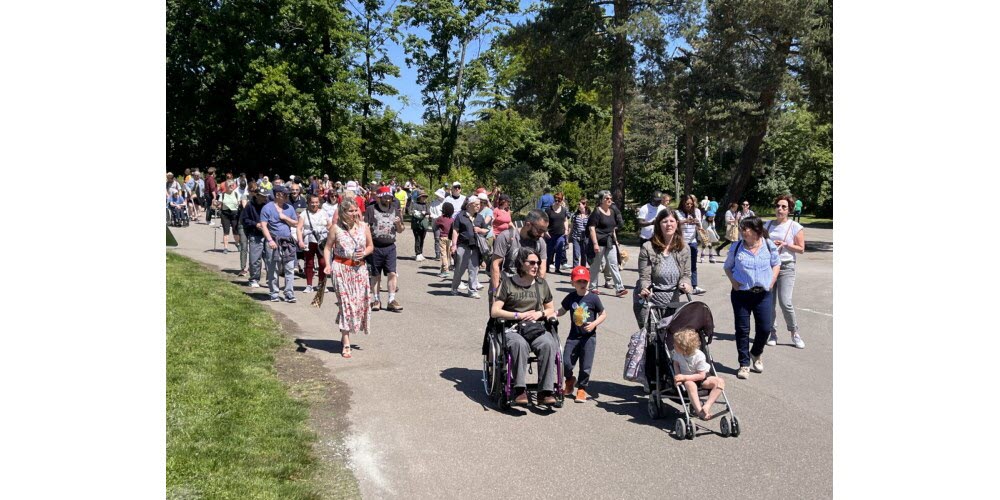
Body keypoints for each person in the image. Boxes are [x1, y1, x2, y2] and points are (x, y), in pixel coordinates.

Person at [490, 247, 559, 406]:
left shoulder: (542, 284)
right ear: (521, 264)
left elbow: (550, 309)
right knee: (519, 344)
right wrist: (518, 315)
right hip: (512, 328)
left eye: (538, 263)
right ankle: (519, 389)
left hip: (534, 327)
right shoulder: (507, 284)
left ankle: (545, 391)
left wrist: (539, 314)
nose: (536, 266)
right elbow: (495, 311)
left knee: (549, 344)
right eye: (532, 263)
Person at [723, 216, 780, 379]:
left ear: (757, 231)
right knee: (742, 330)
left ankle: (756, 353)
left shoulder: (768, 245)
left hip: (763, 294)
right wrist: (733, 282)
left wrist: (772, 280)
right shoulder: (737, 246)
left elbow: (776, 264)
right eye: (742, 228)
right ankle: (744, 364)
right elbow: (727, 266)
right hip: (741, 294)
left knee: (765, 328)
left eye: (746, 228)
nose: (742, 231)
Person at [323, 198, 373, 358]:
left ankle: (344, 332)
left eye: (355, 210)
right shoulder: (335, 229)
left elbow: (371, 246)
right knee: (346, 305)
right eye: (350, 211)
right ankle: (346, 342)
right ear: (343, 212)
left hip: (359, 271)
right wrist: (328, 265)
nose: (354, 213)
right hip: (341, 270)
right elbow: (327, 248)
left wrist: (364, 253)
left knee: (357, 305)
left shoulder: (364, 227)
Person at [556, 266, 607, 403]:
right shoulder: (571, 297)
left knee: (585, 365)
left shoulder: (593, 298)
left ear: (588, 282)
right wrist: (553, 314)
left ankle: (582, 388)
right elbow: (562, 310)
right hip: (573, 337)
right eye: (579, 282)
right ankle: (570, 379)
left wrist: (594, 323)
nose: (582, 284)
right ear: (573, 282)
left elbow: (603, 314)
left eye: (585, 281)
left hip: (589, 338)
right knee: (566, 363)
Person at [635, 209, 692, 326]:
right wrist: (645, 288)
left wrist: (686, 284)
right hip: (649, 302)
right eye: (665, 221)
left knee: (671, 339)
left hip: (673, 302)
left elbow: (686, 274)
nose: (669, 224)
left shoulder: (684, 248)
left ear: (677, 223)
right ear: (658, 225)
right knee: (652, 339)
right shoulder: (648, 247)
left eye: (672, 221)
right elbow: (644, 277)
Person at [765, 195, 807, 349]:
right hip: (769, 267)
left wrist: (785, 244)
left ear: (789, 210)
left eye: (783, 207)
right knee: (769, 303)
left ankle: (794, 332)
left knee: (785, 302)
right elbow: (760, 243)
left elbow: (801, 249)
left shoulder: (795, 226)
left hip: (787, 266)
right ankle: (772, 333)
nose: (779, 209)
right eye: (777, 206)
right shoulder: (768, 225)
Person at [490, 209, 549, 304]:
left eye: (544, 231)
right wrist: (495, 291)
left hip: (529, 291)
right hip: (505, 288)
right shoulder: (506, 237)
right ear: (528, 224)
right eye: (539, 230)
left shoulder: (540, 242)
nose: (542, 234)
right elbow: (495, 265)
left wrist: (540, 293)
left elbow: (542, 269)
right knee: (500, 318)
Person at [671, 328, 726, 420]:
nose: (673, 345)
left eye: (675, 345)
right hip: (688, 380)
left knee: (720, 382)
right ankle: (699, 411)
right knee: (689, 384)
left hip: (702, 377)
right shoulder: (677, 354)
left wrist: (683, 377)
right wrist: (677, 375)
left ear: (684, 348)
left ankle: (707, 406)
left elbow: (701, 375)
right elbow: (675, 363)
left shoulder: (699, 356)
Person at [365, 186, 404, 312]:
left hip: (390, 247)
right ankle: (376, 300)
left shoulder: (394, 210)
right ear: (379, 197)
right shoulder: (371, 209)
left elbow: (400, 230)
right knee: (376, 275)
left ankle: (391, 300)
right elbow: (365, 227)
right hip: (375, 247)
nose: (388, 200)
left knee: (392, 273)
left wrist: (398, 223)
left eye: (389, 197)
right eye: (385, 197)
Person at [259, 185, 299, 303]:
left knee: (289, 268)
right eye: (285, 194)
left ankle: (289, 293)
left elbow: (295, 223)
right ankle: (274, 293)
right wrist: (270, 240)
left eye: (287, 194)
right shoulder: (267, 208)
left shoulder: (289, 208)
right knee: (273, 268)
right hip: (273, 241)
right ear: (277, 195)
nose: (287, 196)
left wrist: (285, 217)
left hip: (287, 242)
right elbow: (264, 226)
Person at [587, 190, 627, 297]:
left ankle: (619, 288)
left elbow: (613, 228)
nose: (609, 200)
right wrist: (595, 243)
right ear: (601, 200)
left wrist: (616, 241)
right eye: (606, 198)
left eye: (610, 198)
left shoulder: (612, 212)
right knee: (596, 266)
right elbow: (591, 228)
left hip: (610, 242)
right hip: (599, 242)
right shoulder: (596, 212)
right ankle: (593, 287)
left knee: (614, 264)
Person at [450, 196, 489, 298]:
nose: (478, 206)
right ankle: (454, 287)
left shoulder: (480, 217)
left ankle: (472, 290)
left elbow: (486, 230)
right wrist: (454, 245)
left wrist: (480, 230)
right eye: (476, 204)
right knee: (459, 269)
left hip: (475, 247)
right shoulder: (460, 216)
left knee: (474, 269)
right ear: (469, 205)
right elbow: (455, 230)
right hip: (463, 246)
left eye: (479, 205)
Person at [297, 194, 332, 294]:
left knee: (323, 262)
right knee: (309, 262)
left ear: (319, 203)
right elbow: (299, 228)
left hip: (322, 240)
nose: (314, 204)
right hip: (309, 240)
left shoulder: (324, 213)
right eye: (312, 202)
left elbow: (330, 226)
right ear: (308, 202)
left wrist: (331, 240)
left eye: (316, 202)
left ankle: (321, 284)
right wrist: (300, 241)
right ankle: (309, 285)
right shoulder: (304, 214)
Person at [676, 195, 706, 294]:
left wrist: (697, 223)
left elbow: (700, 227)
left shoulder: (696, 212)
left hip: (692, 241)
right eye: (687, 204)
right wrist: (685, 221)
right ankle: (680, 286)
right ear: (683, 203)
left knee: (693, 264)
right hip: (681, 241)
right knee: (680, 265)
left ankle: (694, 286)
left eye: (691, 204)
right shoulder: (677, 212)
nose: (689, 206)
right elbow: (674, 223)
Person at [544, 193, 569, 274]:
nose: (557, 201)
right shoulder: (549, 210)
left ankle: (557, 269)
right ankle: (546, 268)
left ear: (562, 200)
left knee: (559, 251)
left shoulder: (564, 210)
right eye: (556, 200)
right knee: (549, 252)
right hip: (550, 234)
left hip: (560, 234)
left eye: (559, 200)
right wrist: (545, 231)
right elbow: (545, 221)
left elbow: (565, 220)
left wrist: (566, 230)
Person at [218, 180, 241, 254]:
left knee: (236, 231)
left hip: (234, 213)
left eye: (232, 185)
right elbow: (219, 204)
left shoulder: (236, 194)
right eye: (230, 185)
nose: (231, 187)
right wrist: (216, 205)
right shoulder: (223, 194)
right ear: (226, 186)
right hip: (225, 214)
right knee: (226, 231)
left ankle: (237, 243)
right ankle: (225, 247)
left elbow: (239, 203)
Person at [570, 196, 592, 268]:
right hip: (576, 237)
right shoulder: (575, 215)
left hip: (585, 238)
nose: (578, 206)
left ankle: (583, 271)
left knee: (584, 255)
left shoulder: (589, 216)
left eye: (580, 204)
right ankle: (575, 270)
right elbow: (572, 226)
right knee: (576, 254)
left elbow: (591, 228)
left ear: (584, 204)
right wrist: (569, 236)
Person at [435, 203, 455, 278]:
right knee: (448, 254)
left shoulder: (440, 218)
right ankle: (443, 270)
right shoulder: (452, 220)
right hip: (450, 238)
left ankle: (445, 270)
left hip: (442, 237)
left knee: (443, 254)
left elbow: (436, 224)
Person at [409, 190, 431, 261]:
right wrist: (416, 212)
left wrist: (425, 213)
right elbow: (410, 211)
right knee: (417, 239)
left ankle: (421, 253)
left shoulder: (426, 204)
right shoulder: (414, 204)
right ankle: (417, 253)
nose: (424, 198)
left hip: (423, 224)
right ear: (419, 197)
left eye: (425, 197)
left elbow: (428, 212)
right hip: (416, 224)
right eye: (422, 197)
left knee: (422, 239)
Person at [428, 188, 447, 260]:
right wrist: (436, 217)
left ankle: (444, 253)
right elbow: (431, 212)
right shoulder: (433, 203)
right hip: (435, 222)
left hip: (444, 223)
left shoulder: (446, 203)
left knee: (445, 239)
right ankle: (437, 254)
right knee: (437, 238)